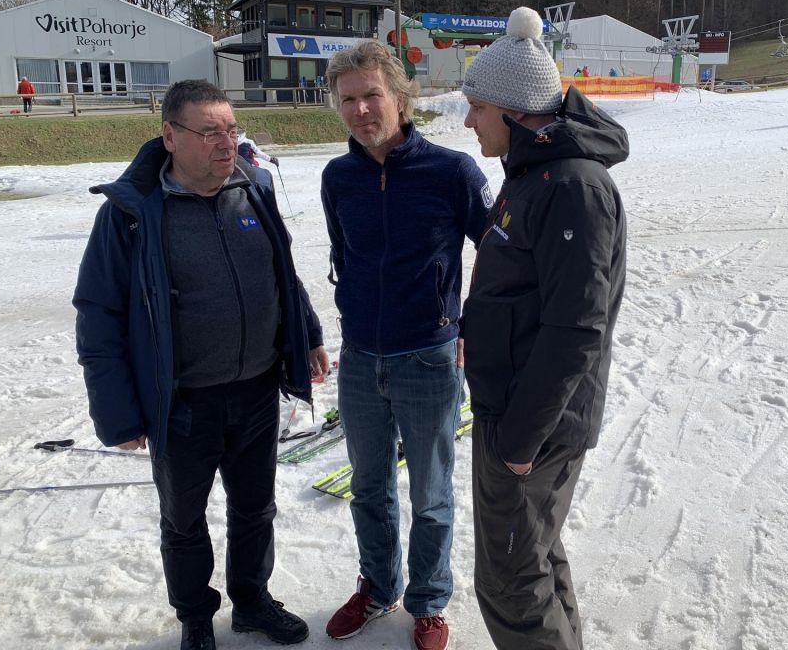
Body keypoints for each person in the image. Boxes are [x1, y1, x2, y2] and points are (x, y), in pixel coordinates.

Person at [73, 79, 329, 650]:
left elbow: (282, 274)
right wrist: (119, 415)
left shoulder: (254, 188)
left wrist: (307, 334)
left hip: (257, 391)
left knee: (255, 507)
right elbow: (98, 314)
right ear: (170, 135)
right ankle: (194, 615)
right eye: (209, 132)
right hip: (182, 402)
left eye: (231, 130)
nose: (225, 143)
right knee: (184, 521)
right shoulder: (131, 213)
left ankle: (253, 600)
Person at [459, 6, 628, 650]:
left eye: (477, 107)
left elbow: (574, 327)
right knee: (532, 554)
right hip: (513, 412)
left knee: (510, 580)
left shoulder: (570, 187)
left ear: (513, 108)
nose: (469, 120)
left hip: (534, 426)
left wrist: (520, 438)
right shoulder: (534, 175)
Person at [319, 40, 491, 650]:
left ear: (400, 96)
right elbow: (346, 256)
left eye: (372, 95)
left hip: (430, 357)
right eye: (348, 100)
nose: (361, 110)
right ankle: (378, 586)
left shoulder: (451, 172)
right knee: (368, 486)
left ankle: (428, 600)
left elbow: (496, 252)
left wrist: (468, 324)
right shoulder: (337, 178)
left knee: (431, 493)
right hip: (362, 359)